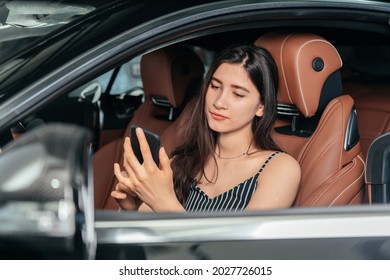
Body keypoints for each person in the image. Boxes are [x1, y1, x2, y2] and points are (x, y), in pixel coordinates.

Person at [112, 44, 301, 212]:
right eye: (215, 86)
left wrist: (164, 202)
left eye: (237, 94)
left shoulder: (280, 168)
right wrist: (132, 209)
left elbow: (242, 251)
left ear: (262, 106)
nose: (219, 102)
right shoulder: (181, 161)